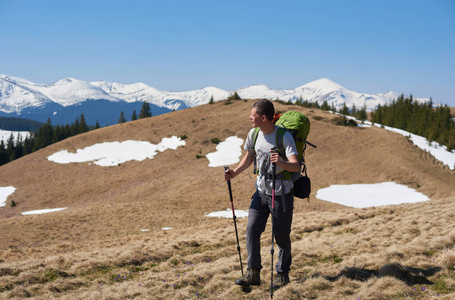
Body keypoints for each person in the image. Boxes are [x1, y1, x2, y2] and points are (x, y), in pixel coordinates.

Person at [224, 99, 300, 289]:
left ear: (263, 117)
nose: (250, 117)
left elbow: (295, 165)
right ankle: (253, 273)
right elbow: (249, 157)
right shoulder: (254, 133)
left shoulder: (284, 137)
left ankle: (282, 275)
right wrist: (235, 173)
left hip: (282, 193)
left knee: (281, 235)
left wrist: (281, 163)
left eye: (253, 115)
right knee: (251, 228)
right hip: (261, 191)